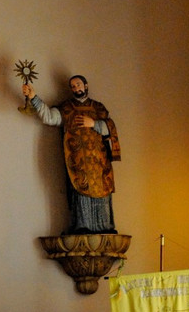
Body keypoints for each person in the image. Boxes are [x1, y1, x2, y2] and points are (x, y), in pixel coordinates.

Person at [22, 74, 121, 234]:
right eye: (73, 86)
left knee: (102, 191)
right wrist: (33, 97)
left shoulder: (98, 108)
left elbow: (110, 127)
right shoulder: (67, 108)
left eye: (78, 85)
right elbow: (50, 117)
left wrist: (94, 123)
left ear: (86, 85)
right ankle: (83, 226)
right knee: (80, 190)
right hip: (78, 161)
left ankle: (105, 226)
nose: (76, 88)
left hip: (99, 163)